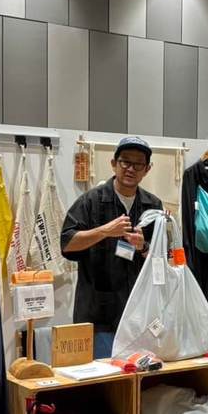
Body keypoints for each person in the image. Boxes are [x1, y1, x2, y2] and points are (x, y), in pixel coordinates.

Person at [61, 137, 162, 358]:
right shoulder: (91, 201)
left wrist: (143, 247)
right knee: (103, 376)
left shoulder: (153, 206)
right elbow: (67, 243)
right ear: (113, 163)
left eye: (138, 164)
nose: (130, 169)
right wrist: (105, 231)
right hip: (98, 316)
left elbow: (162, 259)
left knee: (137, 376)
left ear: (147, 169)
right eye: (125, 162)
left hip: (139, 314)